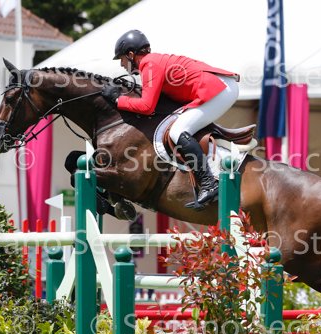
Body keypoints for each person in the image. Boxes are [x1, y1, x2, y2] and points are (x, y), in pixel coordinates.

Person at [102, 30, 240, 208]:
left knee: (178, 131)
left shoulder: (149, 64)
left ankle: (209, 183)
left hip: (221, 90)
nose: (122, 64)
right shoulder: (151, 63)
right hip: (219, 87)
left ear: (131, 54)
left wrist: (117, 100)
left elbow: (147, 106)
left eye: (122, 59)